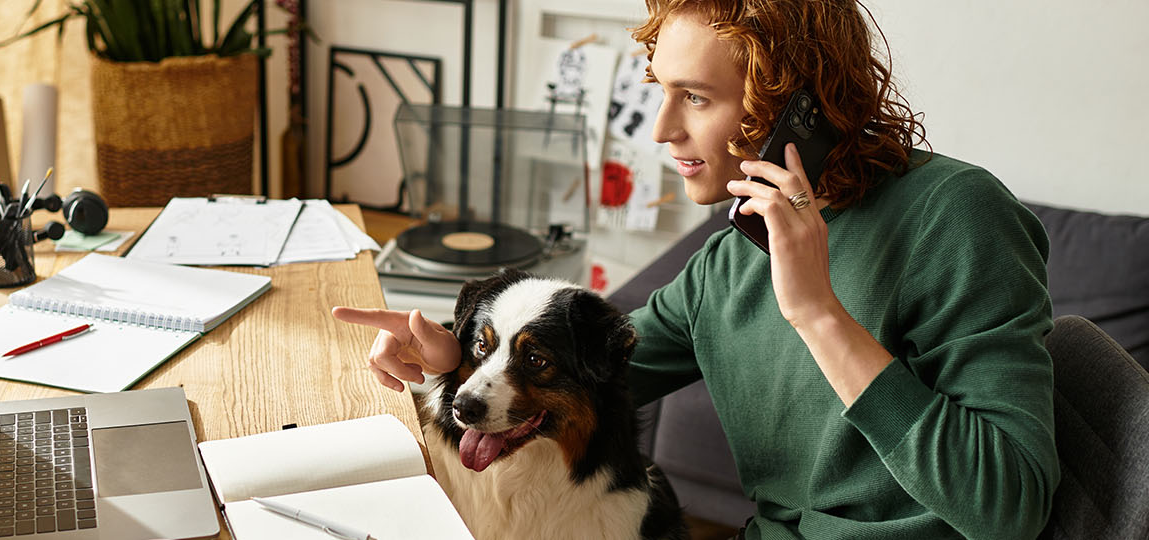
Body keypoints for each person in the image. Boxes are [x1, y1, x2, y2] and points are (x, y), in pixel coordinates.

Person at [333, 0, 1059, 538]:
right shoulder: (726, 264)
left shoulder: (959, 217)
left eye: (697, 98)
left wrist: (818, 314)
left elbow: (1011, 507)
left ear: (795, 108)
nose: (661, 129)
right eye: (662, 89)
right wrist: (454, 360)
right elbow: (584, 375)